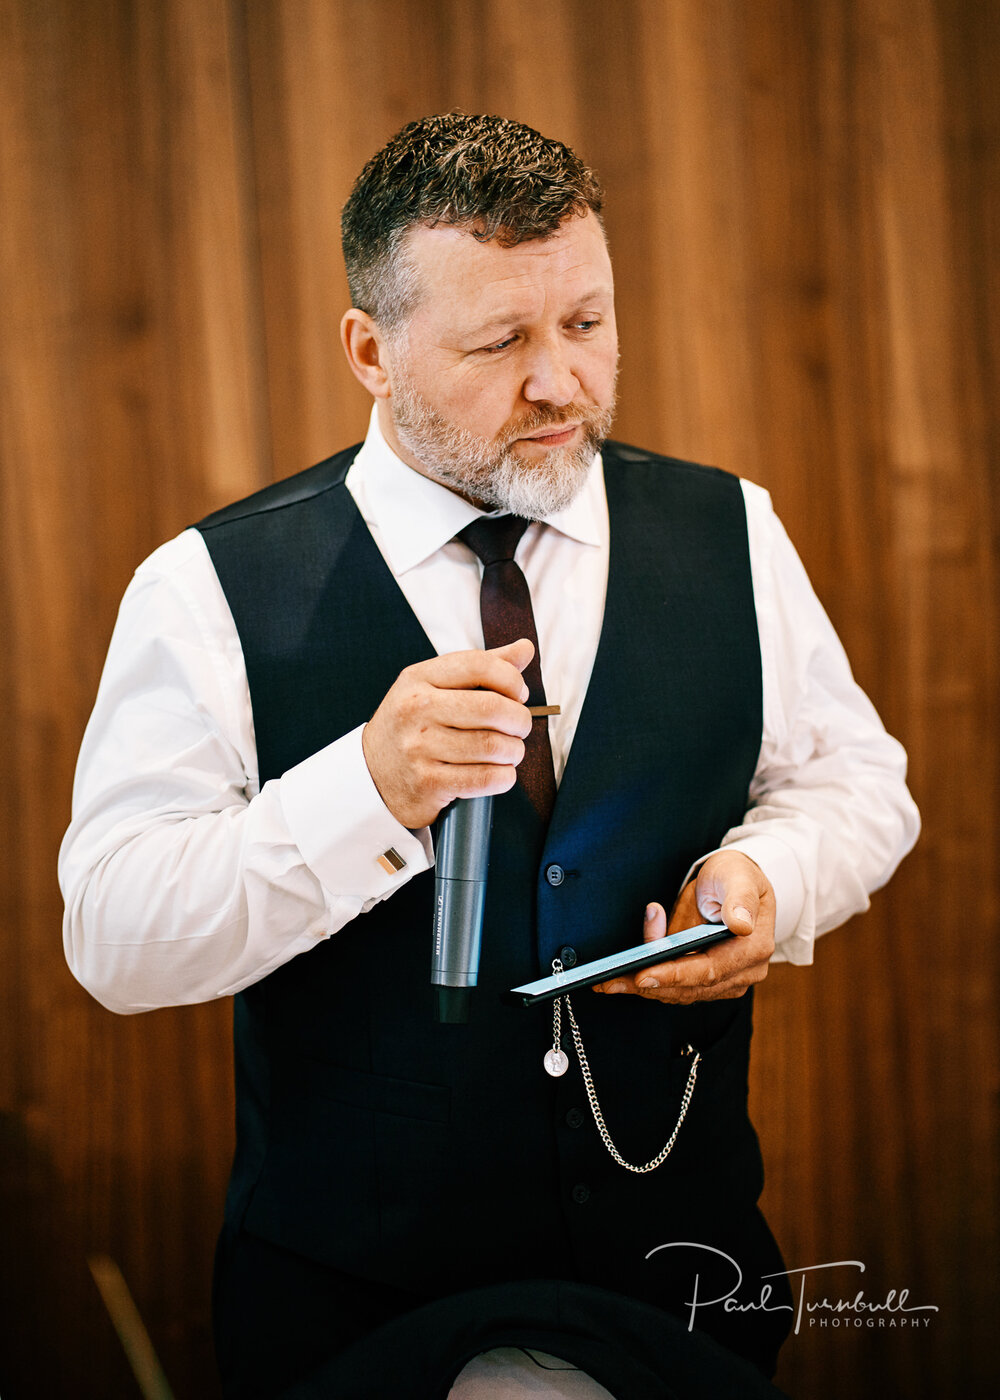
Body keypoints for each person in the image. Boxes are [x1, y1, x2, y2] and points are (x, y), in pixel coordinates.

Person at [60, 113, 919, 1398]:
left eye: (584, 322)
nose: (562, 381)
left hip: (685, 1285)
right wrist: (366, 786)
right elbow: (114, 939)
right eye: (499, 341)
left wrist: (774, 880)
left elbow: (860, 784)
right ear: (371, 349)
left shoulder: (726, 527)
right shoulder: (205, 586)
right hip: (351, 1318)